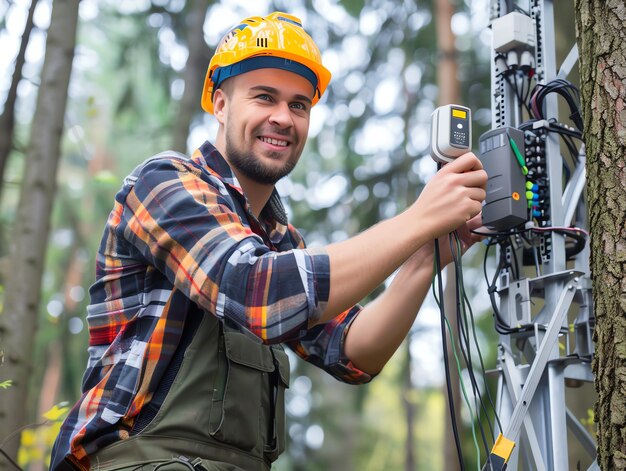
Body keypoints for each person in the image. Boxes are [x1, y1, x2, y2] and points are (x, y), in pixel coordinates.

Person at [50, 11, 487, 471]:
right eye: (265, 97)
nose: (283, 118)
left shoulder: (279, 242)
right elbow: (256, 290)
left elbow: (355, 353)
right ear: (220, 105)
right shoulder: (163, 184)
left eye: (299, 105)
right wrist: (420, 217)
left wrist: (427, 255)